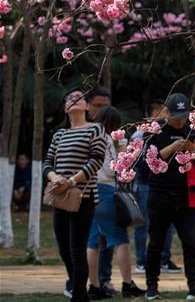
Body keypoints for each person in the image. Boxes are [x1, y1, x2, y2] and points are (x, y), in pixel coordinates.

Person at [144, 93, 195, 300]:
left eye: (184, 115)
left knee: (190, 243)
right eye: (177, 115)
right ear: (166, 112)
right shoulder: (156, 129)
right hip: (159, 194)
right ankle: (152, 287)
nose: (181, 120)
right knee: (156, 243)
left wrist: (193, 150)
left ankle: (194, 287)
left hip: (185, 195)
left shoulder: (192, 129)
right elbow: (150, 160)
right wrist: (172, 148)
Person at [43, 89, 106, 302]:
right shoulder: (59, 134)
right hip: (60, 197)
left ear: (87, 106)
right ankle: (81, 294)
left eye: (79, 97)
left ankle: (77, 297)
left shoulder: (95, 129)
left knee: (77, 249)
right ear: (65, 107)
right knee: (64, 251)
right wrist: (54, 178)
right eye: (69, 98)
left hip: (82, 197)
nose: (74, 99)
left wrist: (70, 181)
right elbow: (47, 162)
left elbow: (96, 160)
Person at [86, 106, 145, 299]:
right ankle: (128, 284)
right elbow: (118, 168)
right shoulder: (114, 140)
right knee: (119, 239)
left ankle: (93, 285)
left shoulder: (89, 137)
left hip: (88, 191)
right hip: (106, 190)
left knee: (92, 241)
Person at [132, 100, 177, 275]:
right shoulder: (140, 135)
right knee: (143, 224)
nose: (168, 116)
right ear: (153, 115)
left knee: (168, 224)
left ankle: (164, 260)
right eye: (164, 113)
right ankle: (142, 262)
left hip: (165, 185)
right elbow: (138, 163)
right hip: (144, 184)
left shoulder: (172, 132)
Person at [85, 86, 116, 297]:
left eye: (105, 106)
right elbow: (104, 168)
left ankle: (103, 280)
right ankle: (89, 282)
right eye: (97, 106)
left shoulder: (112, 134)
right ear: (87, 106)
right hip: (95, 188)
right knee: (93, 239)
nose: (101, 111)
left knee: (107, 240)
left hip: (109, 189)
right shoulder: (87, 132)